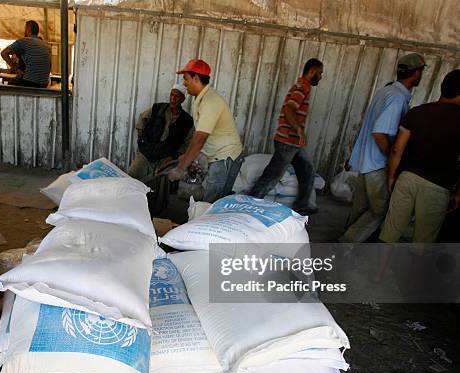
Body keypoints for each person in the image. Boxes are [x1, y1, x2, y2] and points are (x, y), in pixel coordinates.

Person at [339, 53, 426, 242]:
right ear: (416, 73)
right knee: (379, 211)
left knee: (361, 208)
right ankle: (346, 244)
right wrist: (391, 159)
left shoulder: (385, 92)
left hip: (364, 161)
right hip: (376, 164)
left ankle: (346, 241)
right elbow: (379, 133)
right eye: (421, 71)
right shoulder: (396, 98)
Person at [378, 69, 460, 243]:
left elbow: (396, 150)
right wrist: (458, 193)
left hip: (406, 179)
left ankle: (378, 271)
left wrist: (392, 176)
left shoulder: (417, 112)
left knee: (389, 235)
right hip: (438, 188)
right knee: (423, 243)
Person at [248, 58, 324, 215]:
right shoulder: (302, 87)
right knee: (272, 176)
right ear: (312, 72)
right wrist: (299, 130)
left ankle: (302, 204)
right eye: (320, 73)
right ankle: (248, 204)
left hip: (293, 142)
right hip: (288, 141)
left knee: (307, 169)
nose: (321, 76)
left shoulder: (303, 86)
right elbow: (289, 109)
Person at [168, 59, 243, 203]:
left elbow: (200, 138)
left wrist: (180, 169)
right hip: (218, 156)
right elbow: (200, 135)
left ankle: (208, 224)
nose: (184, 83)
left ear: (196, 78)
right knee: (214, 199)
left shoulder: (210, 102)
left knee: (212, 200)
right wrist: (187, 156)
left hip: (225, 157)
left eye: (186, 78)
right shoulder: (201, 99)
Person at [128, 84, 194, 181]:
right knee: (132, 175)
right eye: (171, 95)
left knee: (158, 183)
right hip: (146, 153)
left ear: (183, 99)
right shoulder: (158, 108)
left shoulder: (187, 120)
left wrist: (174, 157)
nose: (173, 98)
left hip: (165, 158)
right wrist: (141, 139)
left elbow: (187, 142)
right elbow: (142, 118)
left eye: (177, 96)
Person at [1, 21, 51, 88]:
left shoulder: (24, 41)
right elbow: (50, 65)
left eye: (25, 29)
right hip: (44, 84)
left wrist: (16, 69)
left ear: (28, 30)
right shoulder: (46, 45)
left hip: (29, 82)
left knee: (11, 83)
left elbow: (4, 53)